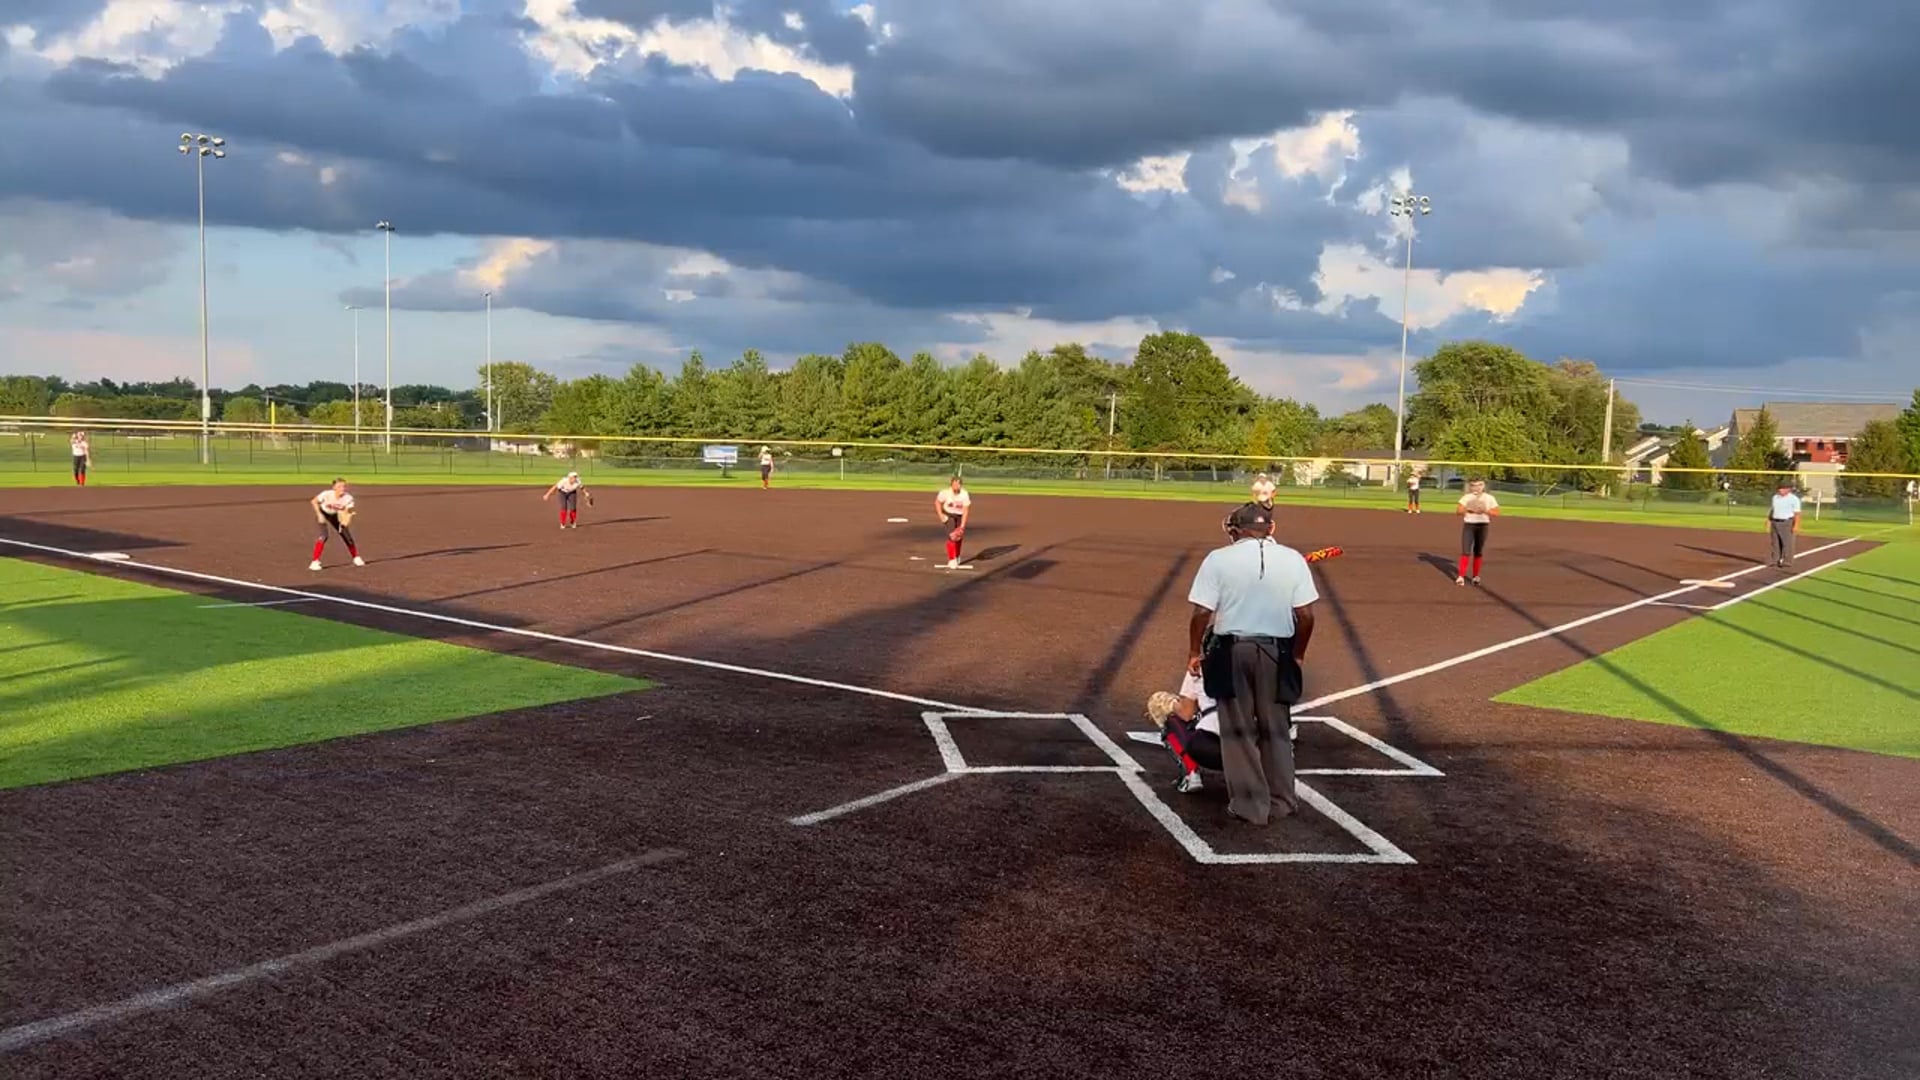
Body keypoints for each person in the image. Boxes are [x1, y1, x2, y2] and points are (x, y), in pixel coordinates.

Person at [1185, 502, 1319, 826]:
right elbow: (1305, 616)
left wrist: (1193, 651)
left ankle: (1250, 806)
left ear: (1235, 530)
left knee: (1237, 729)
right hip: (1277, 651)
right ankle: (1282, 801)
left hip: (1232, 651)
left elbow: (1202, 613)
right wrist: (1297, 654)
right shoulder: (1292, 559)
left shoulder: (1218, 559)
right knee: (1277, 728)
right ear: (1270, 528)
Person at [1147, 666, 1297, 795]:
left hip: (1211, 751)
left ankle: (1191, 774)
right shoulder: (1256, 661)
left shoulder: (1198, 665)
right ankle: (1270, 770)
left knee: (1172, 721)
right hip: (1259, 750)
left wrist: (1171, 704)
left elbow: (1186, 713)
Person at [309, 478, 364, 571]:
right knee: (324, 535)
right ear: (334, 487)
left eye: (343, 486)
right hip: (323, 513)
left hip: (335, 515)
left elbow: (348, 512)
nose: (342, 488)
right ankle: (314, 562)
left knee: (346, 535)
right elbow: (314, 501)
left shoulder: (348, 498)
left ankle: (356, 557)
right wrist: (319, 514)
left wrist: (345, 521)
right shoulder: (326, 494)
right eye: (339, 486)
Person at [1455, 479, 1500, 585]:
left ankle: (1475, 576)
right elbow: (1458, 511)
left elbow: (1496, 512)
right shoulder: (1467, 497)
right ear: (1471, 487)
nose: (1477, 487)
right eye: (1474, 485)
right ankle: (1461, 577)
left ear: (1483, 486)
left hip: (1482, 526)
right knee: (1466, 551)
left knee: (1478, 551)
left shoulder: (1489, 498)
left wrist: (1485, 510)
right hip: (1469, 525)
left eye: (1480, 485)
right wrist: (1468, 509)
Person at [935, 476, 972, 569]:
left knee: (959, 536)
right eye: (954, 484)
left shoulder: (964, 494)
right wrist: (941, 515)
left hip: (959, 516)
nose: (956, 486)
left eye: (958, 484)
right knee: (952, 536)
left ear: (961, 485)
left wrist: (962, 526)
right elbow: (937, 502)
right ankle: (952, 559)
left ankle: (957, 556)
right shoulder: (945, 493)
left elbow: (966, 510)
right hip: (949, 514)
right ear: (951, 484)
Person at [1767, 480, 1801, 569]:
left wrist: (1796, 525)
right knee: (1775, 543)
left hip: (1786, 522)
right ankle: (1775, 560)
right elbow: (1773, 509)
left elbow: (1797, 513)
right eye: (1779, 488)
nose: (1780, 490)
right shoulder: (1775, 497)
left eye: (1782, 488)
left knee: (1787, 543)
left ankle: (1787, 562)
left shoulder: (1793, 499)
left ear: (1788, 489)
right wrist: (1769, 520)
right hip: (1775, 521)